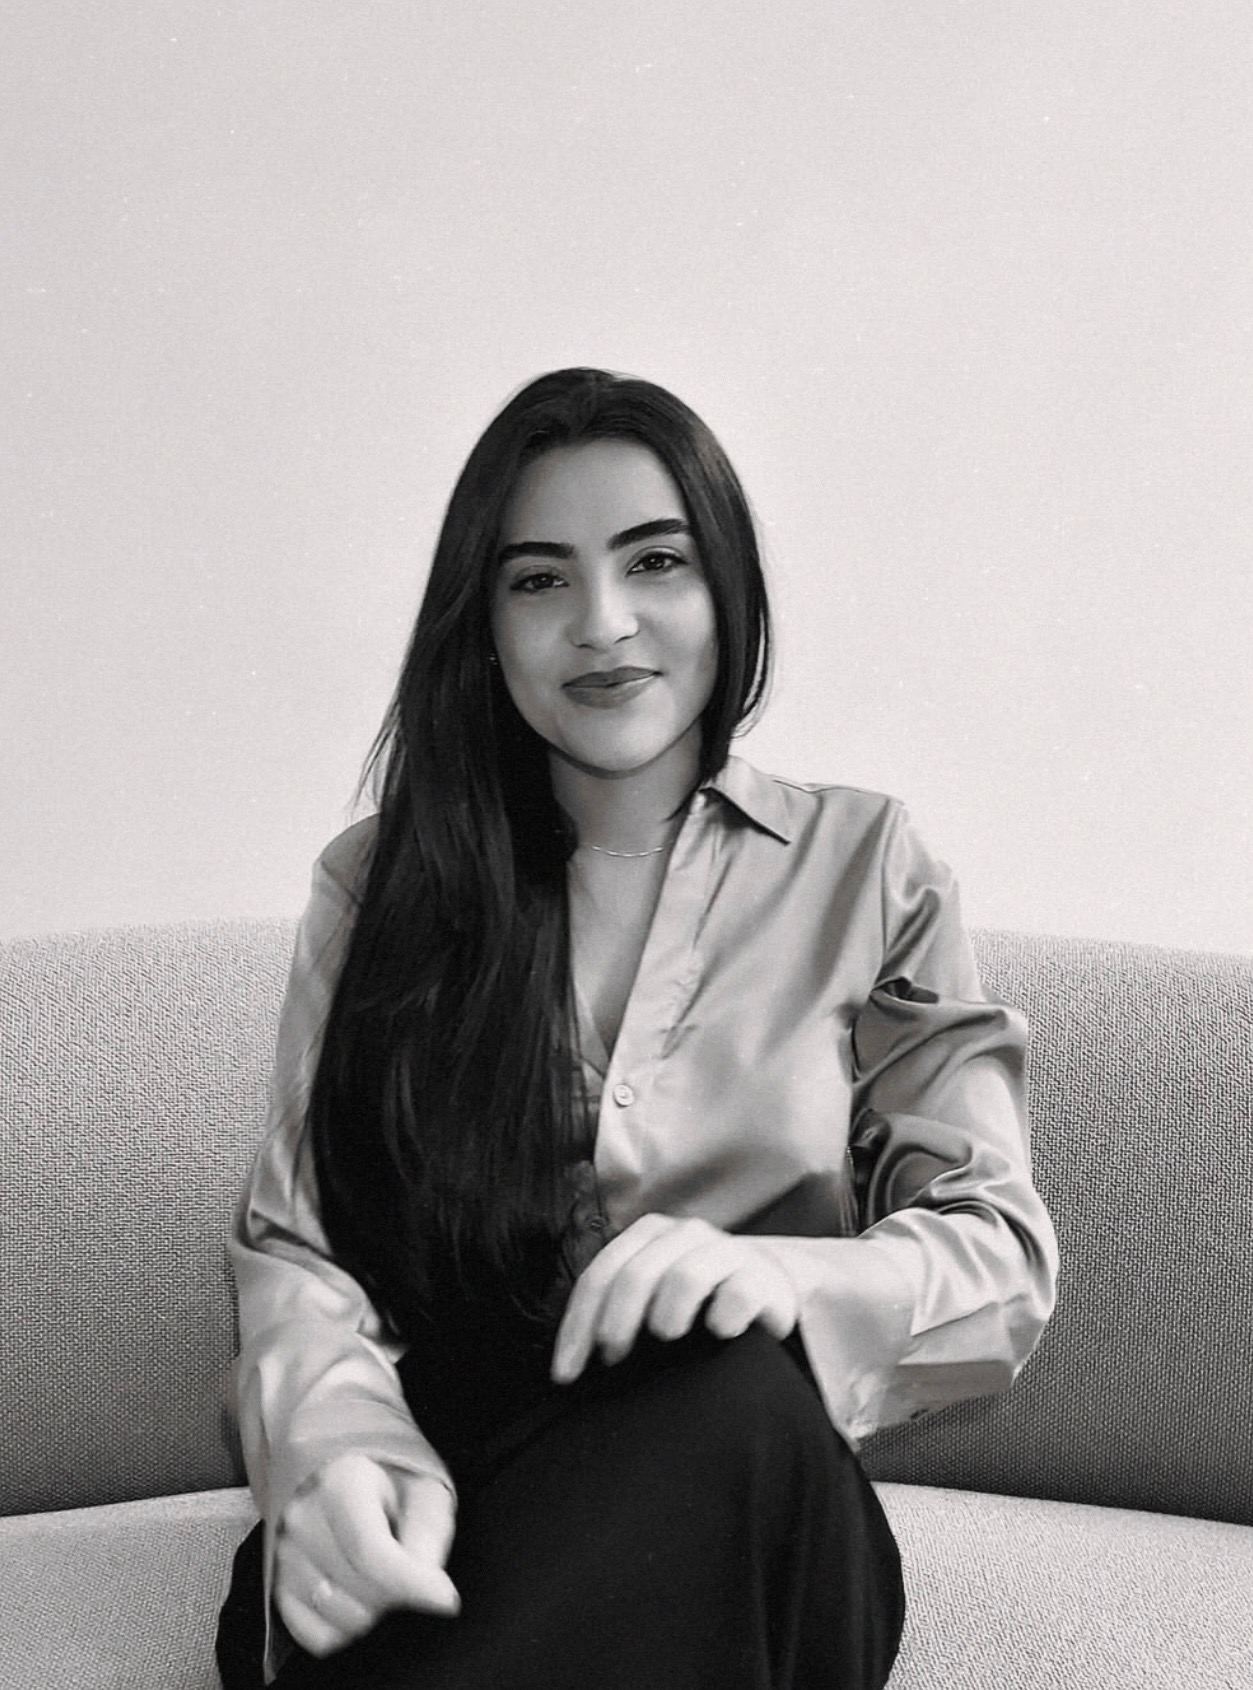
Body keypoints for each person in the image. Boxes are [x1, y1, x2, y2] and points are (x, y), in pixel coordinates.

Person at [216, 368, 1059, 1690]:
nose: (602, 622)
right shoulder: (379, 887)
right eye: (539, 579)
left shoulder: (870, 867)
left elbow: (996, 1251)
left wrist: (783, 1282)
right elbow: (300, 1255)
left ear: (727, 587)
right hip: (437, 1497)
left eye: (655, 561)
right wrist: (333, 1451)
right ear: (483, 625)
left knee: (732, 1386)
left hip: (747, 1489)